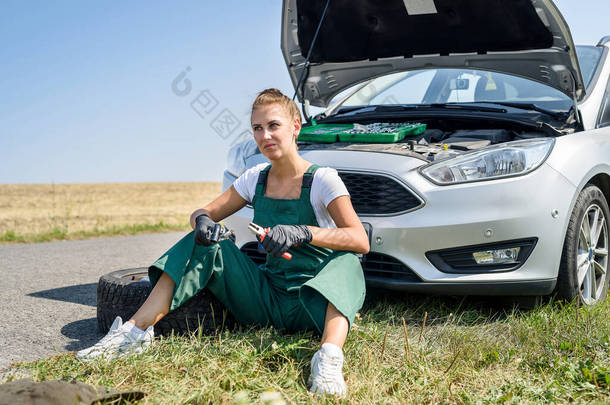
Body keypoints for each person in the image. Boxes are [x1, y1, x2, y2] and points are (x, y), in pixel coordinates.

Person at [77, 88, 369, 396]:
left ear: (295, 126)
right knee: (202, 241)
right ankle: (132, 334)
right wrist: (202, 223)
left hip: (313, 303)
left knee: (348, 261)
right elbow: (202, 213)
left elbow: (359, 239)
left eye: (273, 125)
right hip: (267, 300)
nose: (265, 135)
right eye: (257, 128)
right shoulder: (255, 177)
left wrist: (304, 232)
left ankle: (328, 359)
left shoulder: (323, 179)